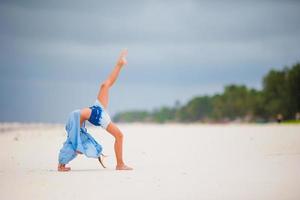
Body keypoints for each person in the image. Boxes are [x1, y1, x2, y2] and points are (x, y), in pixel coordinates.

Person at [57, 49, 133, 171]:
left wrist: (119, 65)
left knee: (105, 85)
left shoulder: (75, 120)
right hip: (97, 115)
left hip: (96, 110)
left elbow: (71, 141)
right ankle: (120, 164)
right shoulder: (75, 121)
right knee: (119, 136)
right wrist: (76, 147)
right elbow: (72, 142)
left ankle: (119, 64)